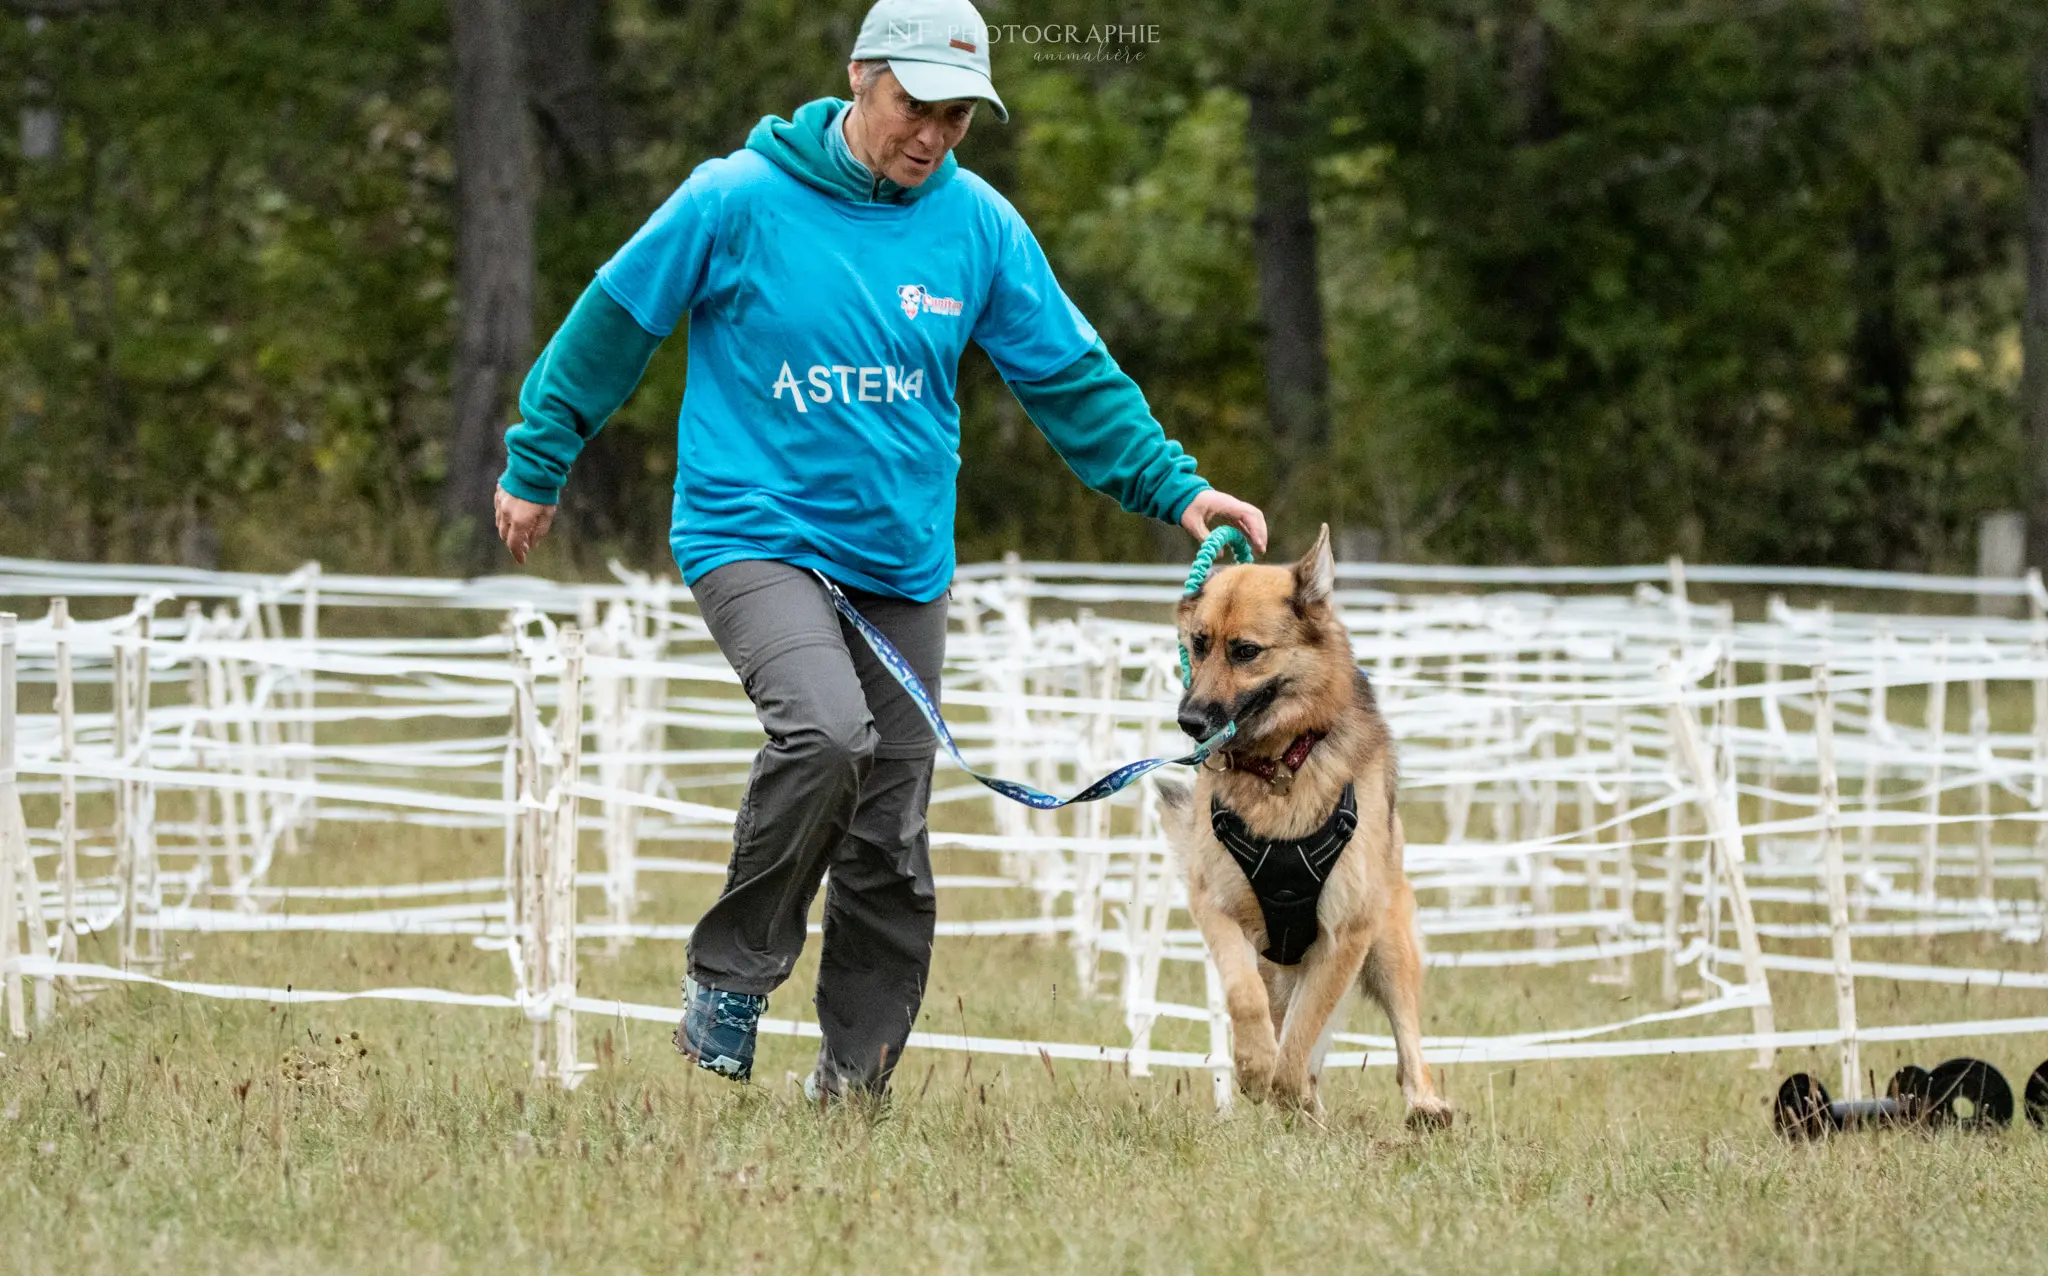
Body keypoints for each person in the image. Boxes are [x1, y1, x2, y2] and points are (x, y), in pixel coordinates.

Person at [492, 0, 1267, 1101]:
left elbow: (1070, 379)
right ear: (859, 77)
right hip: (753, 534)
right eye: (915, 106)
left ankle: (852, 1086)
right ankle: (731, 973)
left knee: (889, 833)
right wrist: (539, 454)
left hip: (900, 562)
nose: (933, 136)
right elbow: (614, 319)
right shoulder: (735, 200)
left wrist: (1176, 488)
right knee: (823, 732)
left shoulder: (978, 227)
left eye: (957, 117)